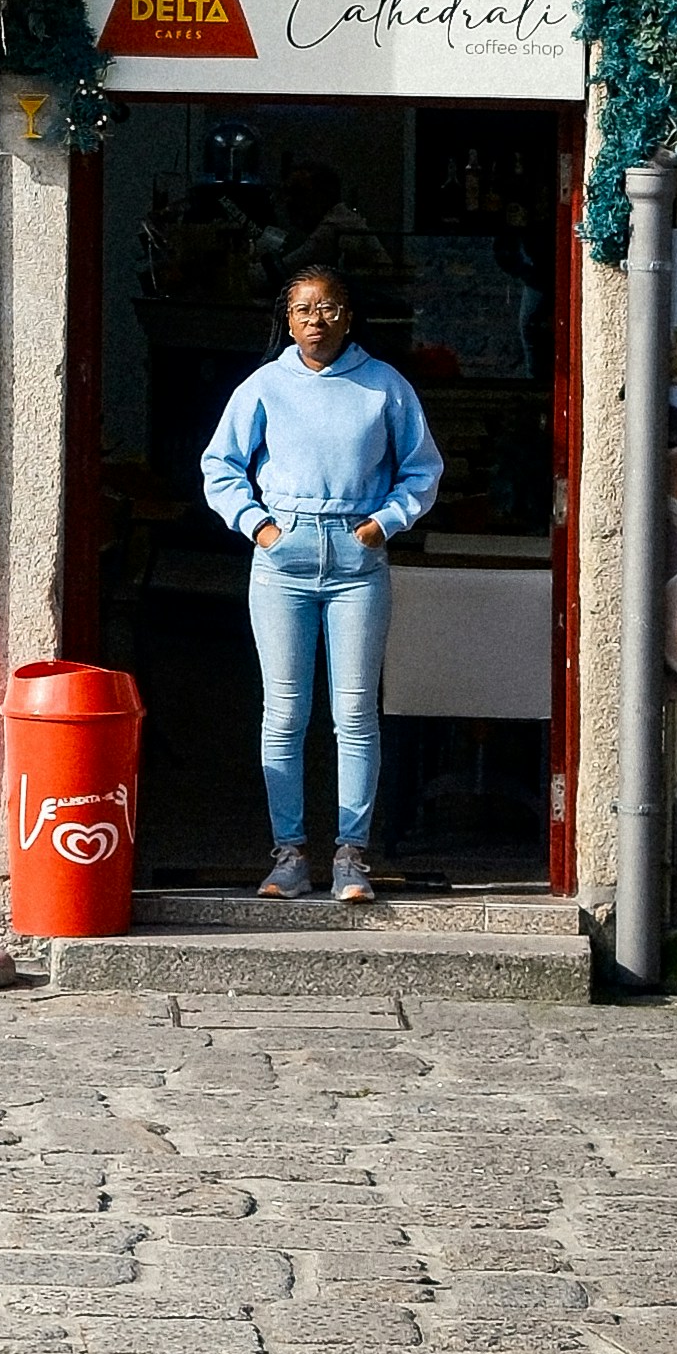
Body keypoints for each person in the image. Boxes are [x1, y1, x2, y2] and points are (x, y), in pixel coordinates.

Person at [199, 258, 442, 907]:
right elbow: (219, 465)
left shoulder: (383, 386)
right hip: (282, 553)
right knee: (284, 713)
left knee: (355, 713)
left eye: (329, 308)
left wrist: (384, 522)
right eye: (304, 309)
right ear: (286, 319)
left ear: (349, 317)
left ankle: (350, 856)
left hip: (357, 555)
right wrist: (257, 526)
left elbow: (420, 469)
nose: (316, 320)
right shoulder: (262, 386)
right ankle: (287, 855)